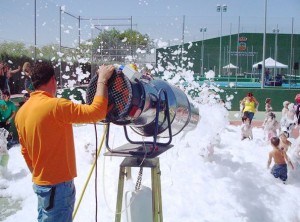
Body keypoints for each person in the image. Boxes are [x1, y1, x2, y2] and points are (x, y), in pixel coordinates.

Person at [15, 62, 115, 222]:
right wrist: (102, 79)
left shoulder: (21, 112)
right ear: (53, 80)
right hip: (57, 188)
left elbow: (25, 151)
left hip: (41, 185)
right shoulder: (56, 106)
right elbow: (96, 112)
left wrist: (42, 175)